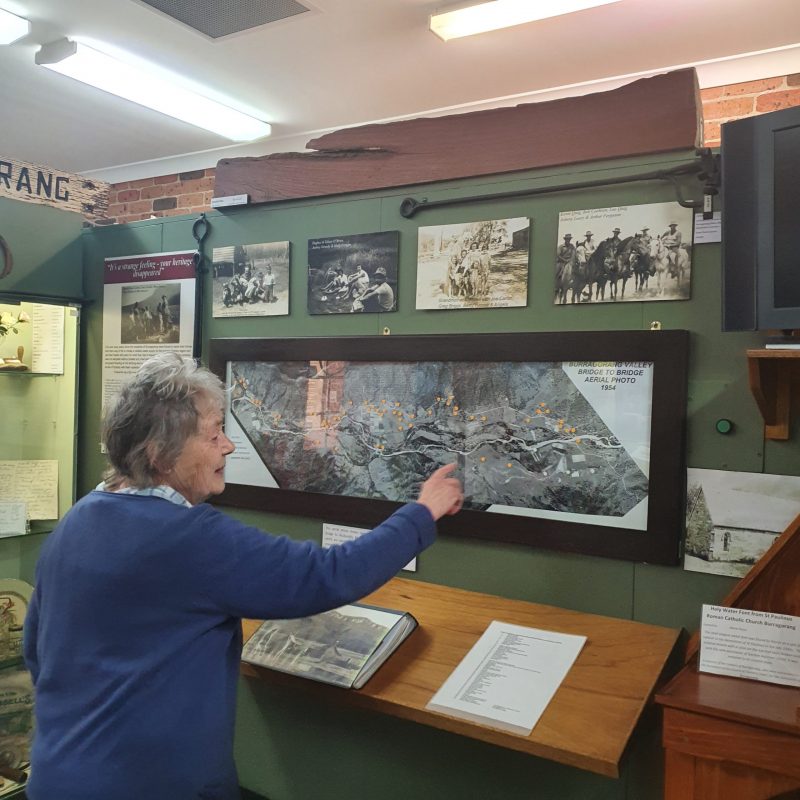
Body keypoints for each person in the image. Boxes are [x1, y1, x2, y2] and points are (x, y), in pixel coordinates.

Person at [23, 353, 463, 800]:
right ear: (161, 455)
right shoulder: (186, 537)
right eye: (214, 435)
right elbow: (324, 575)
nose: (228, 447)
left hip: (58, 774)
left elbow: (37, 648)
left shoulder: (78, 520)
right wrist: (422, 513)